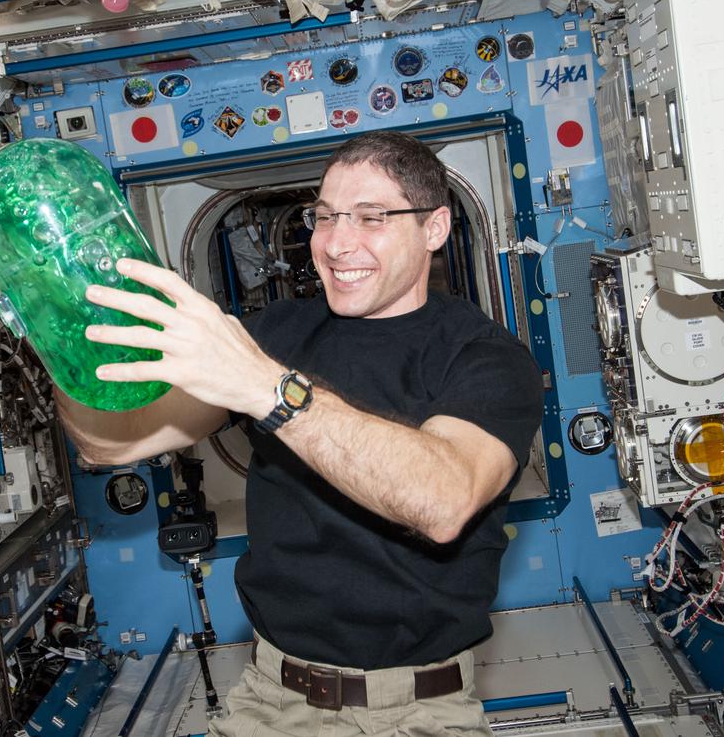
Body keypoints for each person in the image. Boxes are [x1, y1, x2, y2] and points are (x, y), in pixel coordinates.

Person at [57, 130, 544, 737]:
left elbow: (440, 501)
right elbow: (109, 442)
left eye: (371, 218)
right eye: (325, 216)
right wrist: (62, 329)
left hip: (418, 709)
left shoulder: (485, 358)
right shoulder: (279, 332)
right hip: (270, 698)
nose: (338, 244)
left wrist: (268, 390)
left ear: (435, 228)